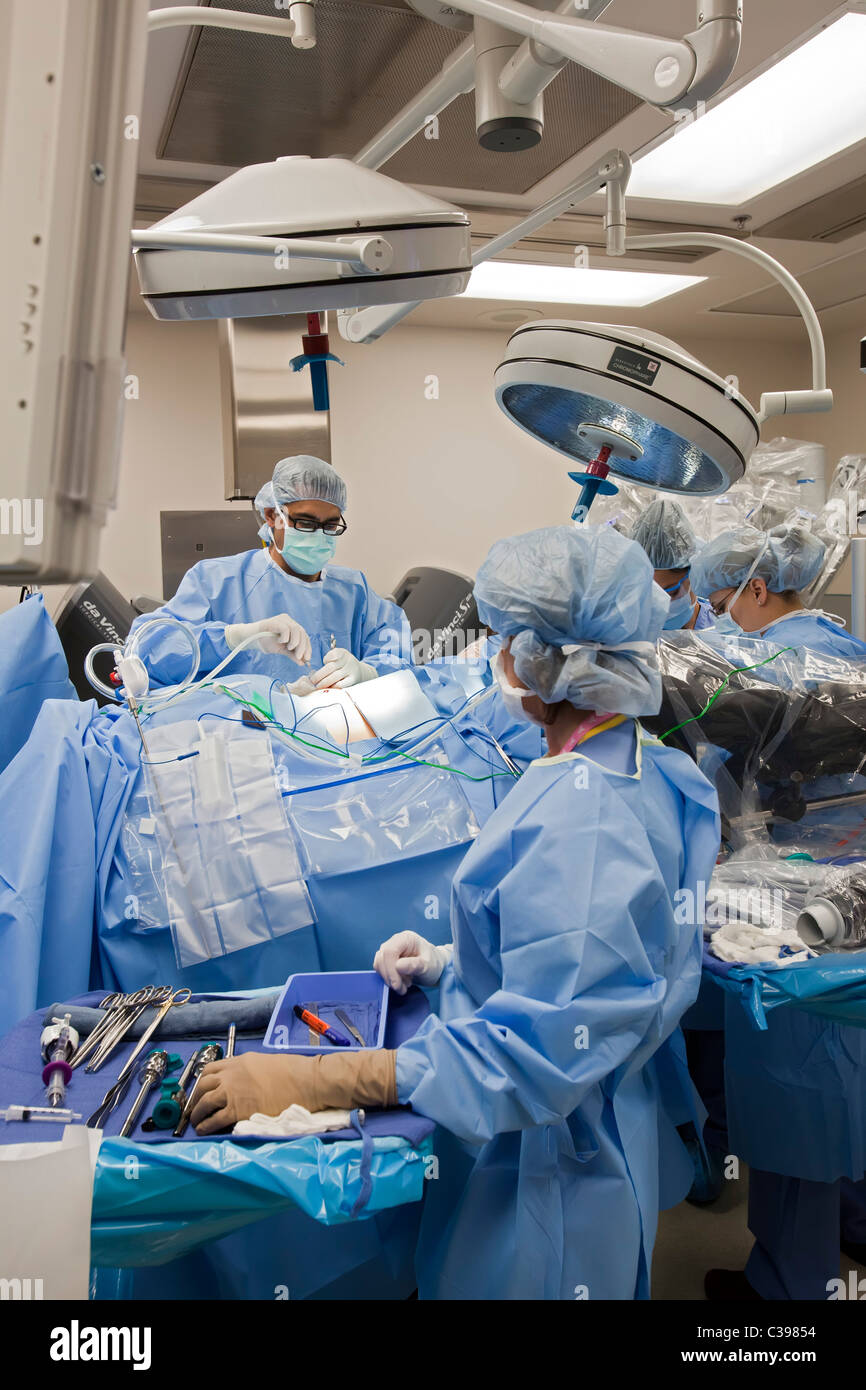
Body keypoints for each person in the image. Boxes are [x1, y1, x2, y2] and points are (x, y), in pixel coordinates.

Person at [189, 525, 721, 1300]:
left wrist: (316, 1081)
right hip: (564, 1145)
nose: (495, 658)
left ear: (546, 661)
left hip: (549, 1188)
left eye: (506, 640)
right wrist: (450, 959)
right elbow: (587, 955)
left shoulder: (585, 817)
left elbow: (531, 1058)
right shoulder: (638, 768)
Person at [127, 455, 414, 687]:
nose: (319, 535)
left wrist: (369, 673)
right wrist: (235, 637)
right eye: (305, 523)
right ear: (273, 516)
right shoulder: (216, 581)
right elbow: (147, 652)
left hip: (336, 746)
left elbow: (399, 657)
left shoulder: (354, 591)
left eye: (330, 526)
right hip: (245, 745)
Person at [690, 522, 866, 660]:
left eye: (720, 608)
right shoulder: (822, 633)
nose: (720, 620)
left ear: (758, 590)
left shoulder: (784, 654)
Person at [629, 498, 715, 631]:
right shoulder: (629, 633)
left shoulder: (722, 632)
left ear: (693, 576)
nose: (660, 605)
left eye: (672, 593)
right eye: (649, 595)